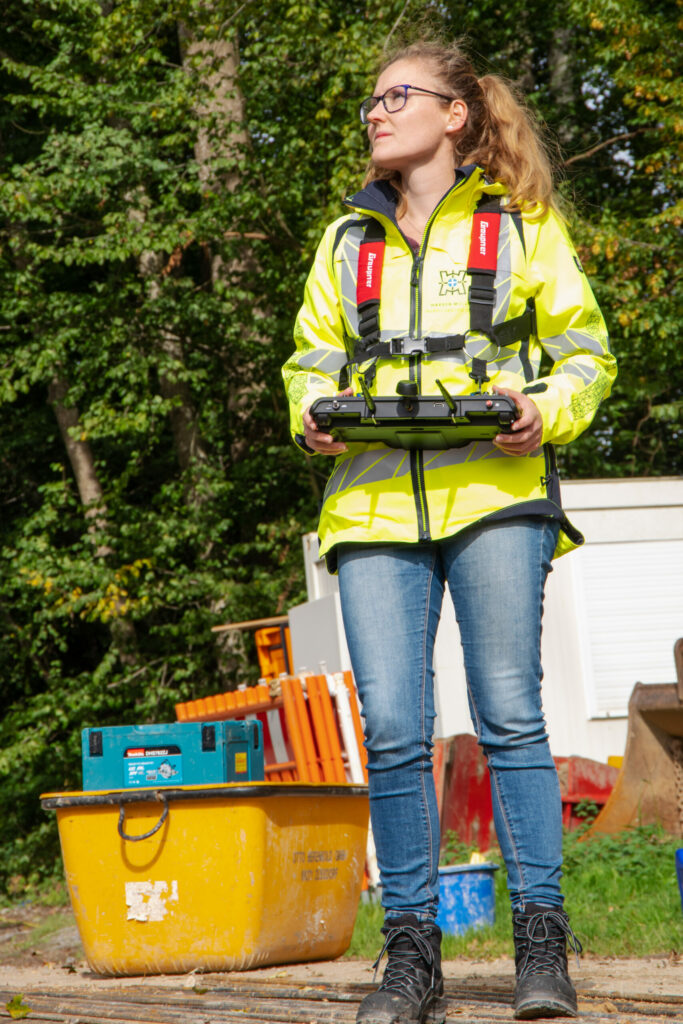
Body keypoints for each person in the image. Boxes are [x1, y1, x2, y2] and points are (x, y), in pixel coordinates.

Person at [283, 37, 616, 1024]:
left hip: (494, 496)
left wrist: (539, 408)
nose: (374, 113)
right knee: (391, 732)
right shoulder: (346, 242)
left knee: (509, 714)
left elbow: (584, 356)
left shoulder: (519, 225)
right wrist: (308, 409)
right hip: (371, 505)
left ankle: (540, 949)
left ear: (454, 114)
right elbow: (308, 359)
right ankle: (410, 962)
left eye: (397, 96)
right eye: (370, 101)